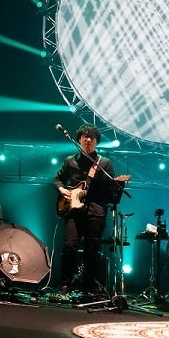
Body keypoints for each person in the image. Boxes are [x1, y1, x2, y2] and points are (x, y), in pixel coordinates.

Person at [52, 125, 130, 299]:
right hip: (73, 211)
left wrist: (111, 183)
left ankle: (87, 287)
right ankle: (65, 284)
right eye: (85, 137)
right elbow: (58, 179)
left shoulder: (104, 163)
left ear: (97, 142)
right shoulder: (70, 161)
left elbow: (111, 189)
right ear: (79, 139)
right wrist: (63, 190)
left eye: (92, 138)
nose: (88, 140)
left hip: (95, 210)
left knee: (91, 250)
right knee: (70, 246)